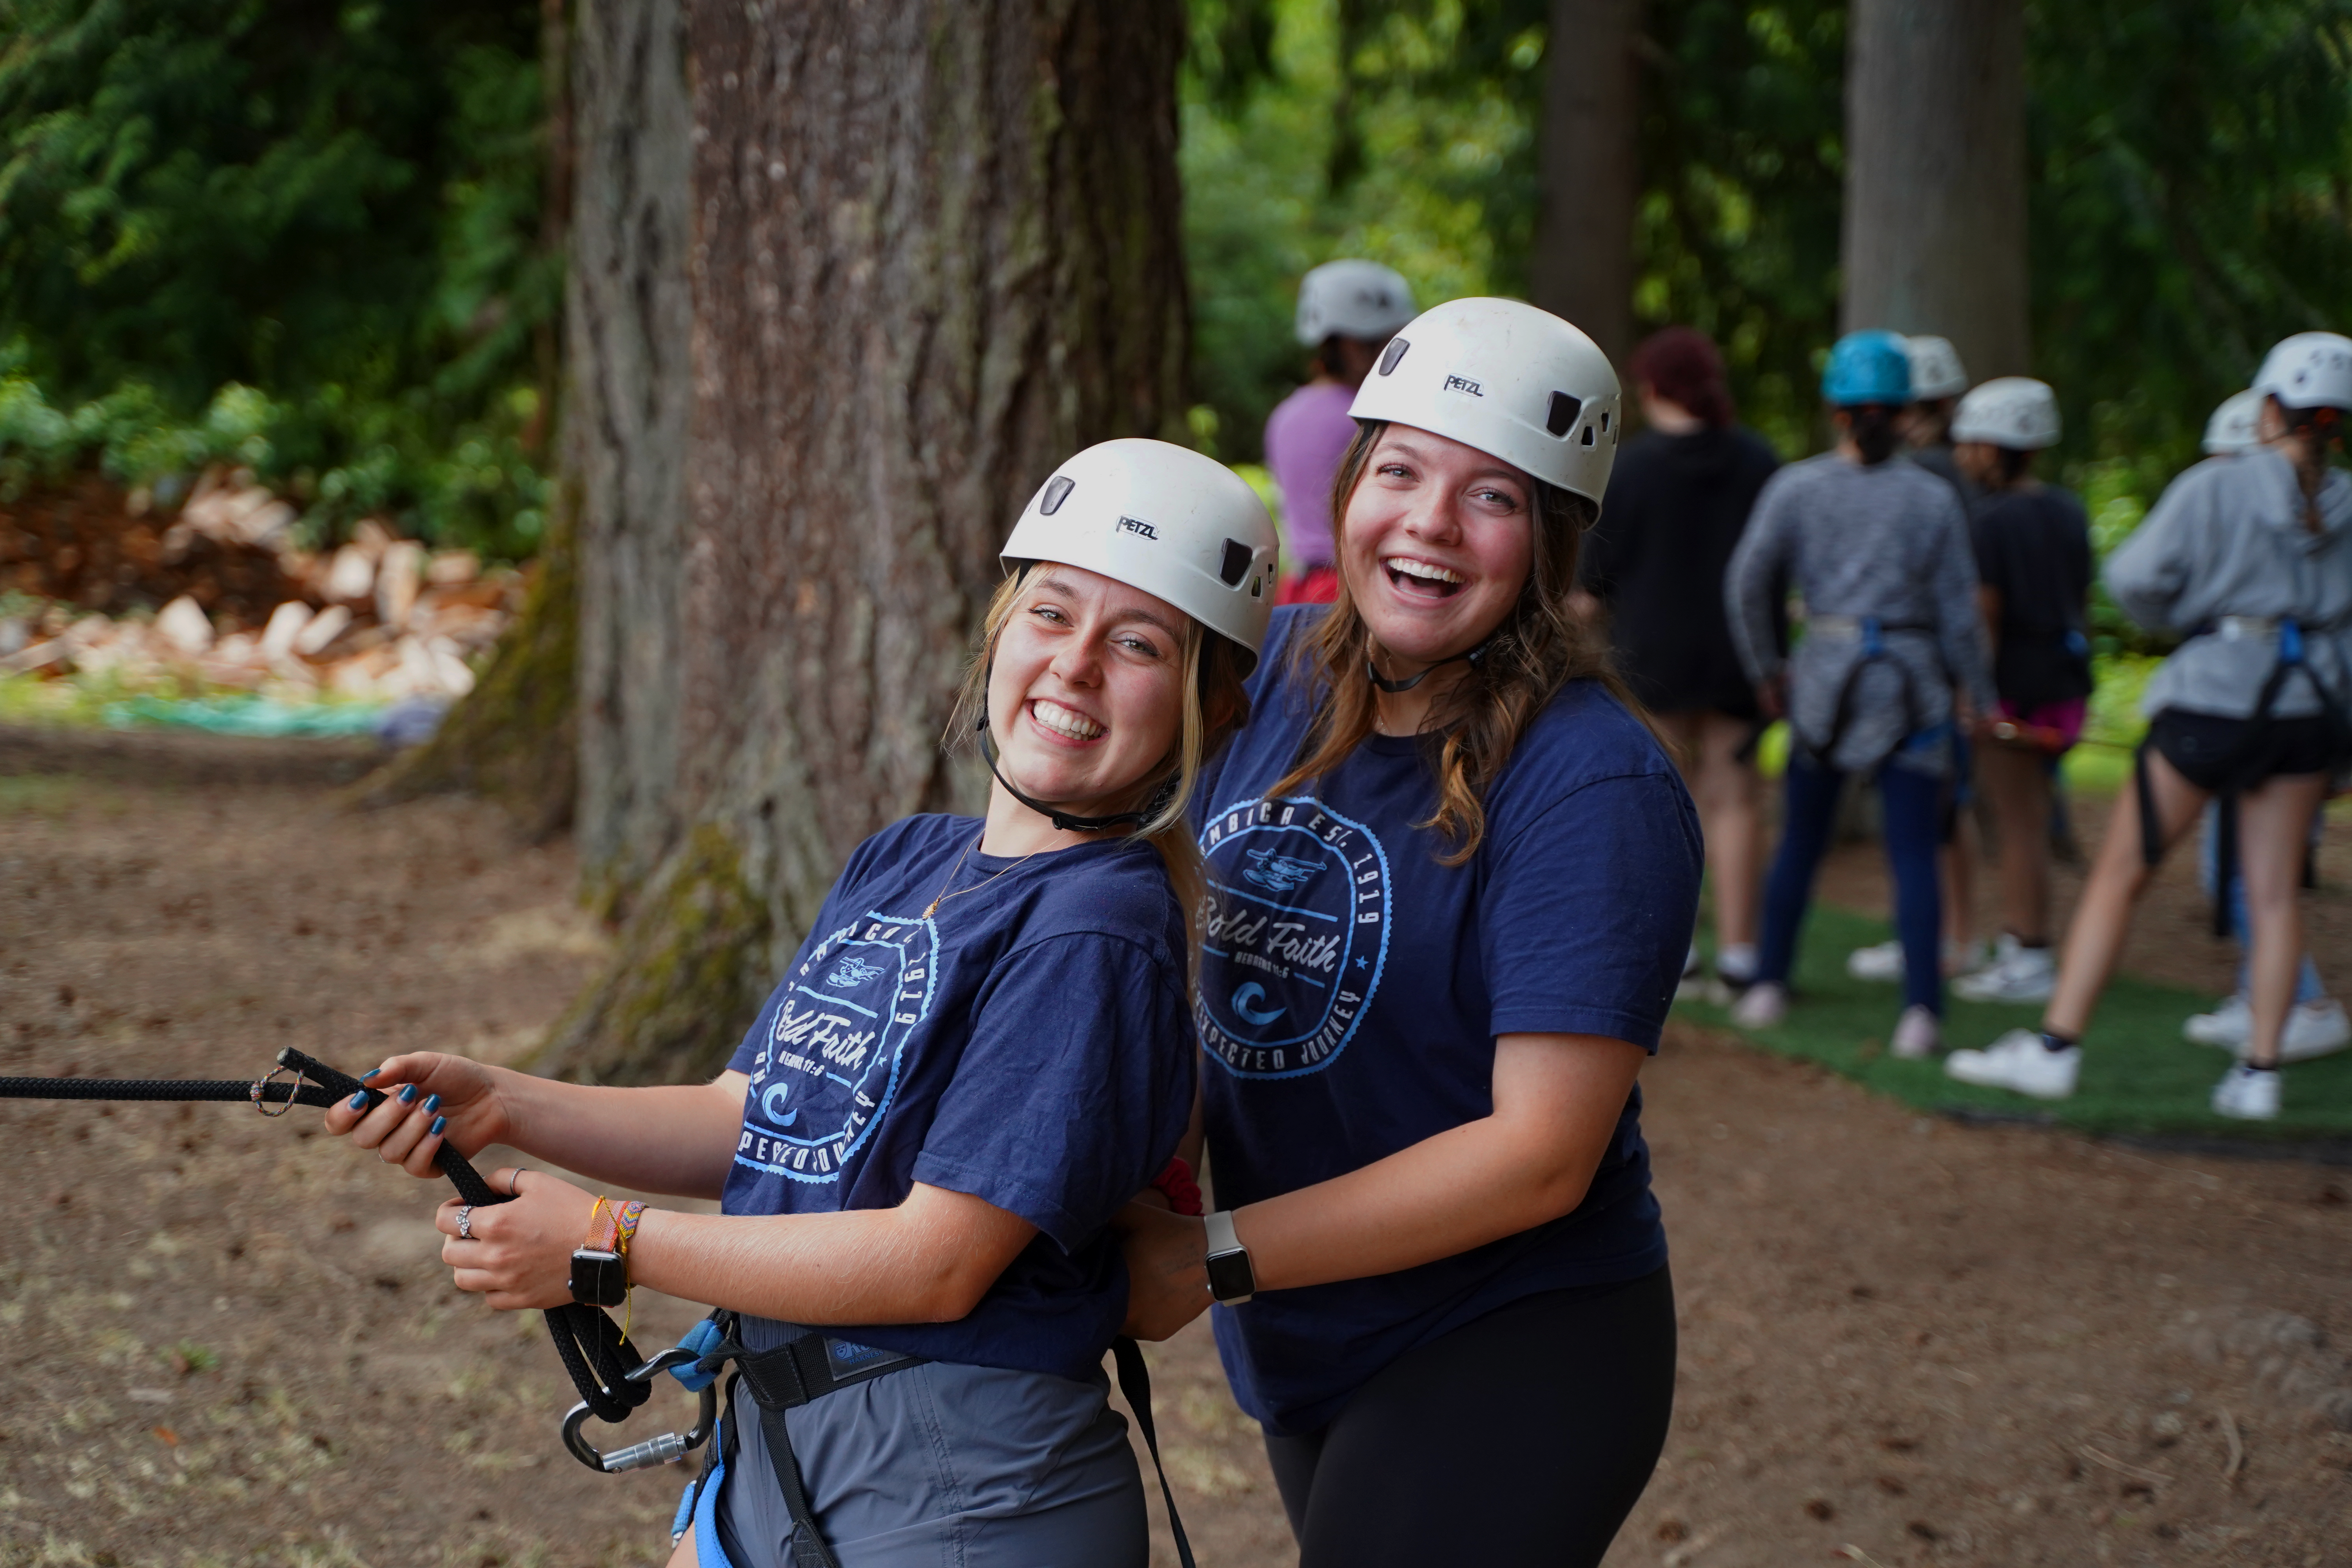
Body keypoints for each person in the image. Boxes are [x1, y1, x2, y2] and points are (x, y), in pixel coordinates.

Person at [321, 439, 1281, 1568]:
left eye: (1137, 645)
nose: (1073, 666)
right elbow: (753, 1117)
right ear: (1000, 631)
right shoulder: (907, 861)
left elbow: (937, 1263)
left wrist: (606, 1243)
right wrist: (505, 1104)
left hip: (961, 1487)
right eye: (1051, 614)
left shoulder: (1095, 929)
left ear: (1207, 706)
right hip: (785, 1442)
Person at [1119, 297, 1701, 1568]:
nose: (1431, 523)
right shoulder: (1259, 679)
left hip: (1508, 1338)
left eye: (1493, 497)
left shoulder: (1593, 785)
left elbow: (1539, 1155)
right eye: (1402, 471)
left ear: (1552, 541)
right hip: (1297, 1316)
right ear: (1351, 486)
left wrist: (1207, 1256)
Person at [1947, 332, 2352, 1120]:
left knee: (2123, 870)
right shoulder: (2348, 500)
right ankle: (2260, 1072)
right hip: (2311, 709)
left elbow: (2135, 582)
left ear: (2269, 408)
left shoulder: (2217, 486)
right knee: (2273, 895)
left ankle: (2058, 1049)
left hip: (2216, 699)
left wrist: (2195, 618)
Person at [1725, 330, 1994, 1058]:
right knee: (1912, 853)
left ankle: (1770, 984)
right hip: (1910, 688)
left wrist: (1768, 672)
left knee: (1802, 844)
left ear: (1835, 410)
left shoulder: (1799, 488)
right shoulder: (1932, 498)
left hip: (1825, 684)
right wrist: (1981, 694)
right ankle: (1921, 1014)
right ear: (1906, 413)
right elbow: (1958, 614)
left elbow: (1749, 584)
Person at [1575, 326, 1780, 992]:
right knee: (1737, 799)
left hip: (1653, 654)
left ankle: (1680, 950)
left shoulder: (1629, 468)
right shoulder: (1759, 462)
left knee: (1669, 802)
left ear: (1653, 386)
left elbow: (1590, 587)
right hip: (1740, 654)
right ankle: (1743, 955)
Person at [2182, 389, 2351, 1060]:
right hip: (2264, 724)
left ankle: (2303, 1003)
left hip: (2282, 728)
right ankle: (2265, 997)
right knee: (2242, 872)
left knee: (2253, 878)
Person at [1940, 378, 2092, 1004]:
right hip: (2063, 683)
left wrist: (1974, 694)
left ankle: (2027, 952)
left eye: (1970, 443)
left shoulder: (1990, 521)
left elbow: (1986, 617)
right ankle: (2026, 945)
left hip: (2013, 691)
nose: (1961, 454)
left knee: (2017, 821)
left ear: (1993, 446)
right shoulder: (2066, 509)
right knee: (2030, 815)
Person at [1846, 331, 1991, 986]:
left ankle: (1946, 940)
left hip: (1918, 668)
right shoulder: (1952, 471)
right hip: (1934, 663)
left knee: (1935, 818)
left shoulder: (1924, 474)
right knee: (1938, 813)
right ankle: (1950, 937)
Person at [1265, 260, 1418, 606]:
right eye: (1391, 342)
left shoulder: (1287, 414)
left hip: (1300, 589)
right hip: (1350, 590)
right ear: (1353, 346)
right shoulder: (1366, 418)